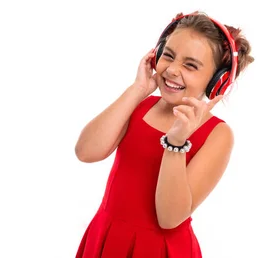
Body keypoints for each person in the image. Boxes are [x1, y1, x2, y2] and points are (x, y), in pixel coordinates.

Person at [73, 11, 254, 258]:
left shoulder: (218, 134)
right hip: (108, 236)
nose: (172, 70)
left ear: (217, 81)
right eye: (168, 56)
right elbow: (86, 151)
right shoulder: (139, 106)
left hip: (160, 250)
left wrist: (176, 143)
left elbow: (169, 218)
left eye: (190, 65)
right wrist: (137, 90)